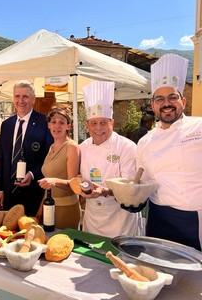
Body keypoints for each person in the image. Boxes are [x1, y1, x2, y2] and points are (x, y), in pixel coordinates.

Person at [136, 53, 202, 251]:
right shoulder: (144, 142)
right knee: (161, 273)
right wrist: (135, 201)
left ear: (183, 101)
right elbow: (142, 182)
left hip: (195, 218)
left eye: (172, 97)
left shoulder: (199, 127)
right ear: (152, 105)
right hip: (158, 218)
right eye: (159, 99)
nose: (166, 103)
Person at [79, 81, 141, 238]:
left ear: (111, 123)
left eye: (103, 123)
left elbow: (130, 187)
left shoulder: (126, 147)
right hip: (92, 218)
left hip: (120, 219)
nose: (98, 128)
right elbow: (80, 177)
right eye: (94, 123)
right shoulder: (83, 147)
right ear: (87, 125)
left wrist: (105, 191)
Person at [0, 80, 53, 216]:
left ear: (33, 99)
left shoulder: (44, 123)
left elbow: (49, 157)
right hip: (9, 194)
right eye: (17, 96)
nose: (20, 100)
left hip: (34, 192)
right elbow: (2, 159)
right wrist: (0, 189)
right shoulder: (6, 125)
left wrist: (32, 174)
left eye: (25, 96)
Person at [37, 105, 81, 229]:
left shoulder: (72, 147)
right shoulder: (51, 147)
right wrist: (41, 209)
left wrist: (55, 182)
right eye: (54, 122)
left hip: (66, 210)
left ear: (68, 126)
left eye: (61, 123)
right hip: (49, 208)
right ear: (49, 125)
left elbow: (74, 186)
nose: (57, 126)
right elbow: (47, 185)